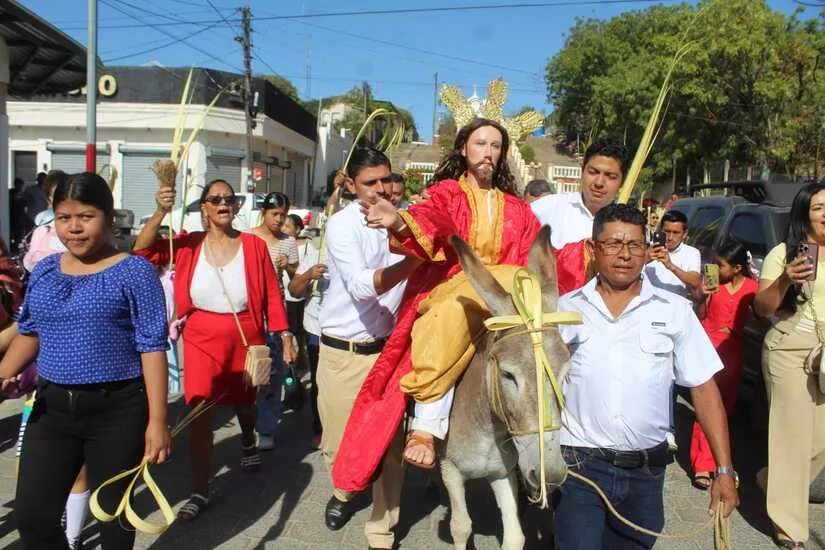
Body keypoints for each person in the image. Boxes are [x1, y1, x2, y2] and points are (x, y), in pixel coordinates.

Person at [333, 118, 541, 497]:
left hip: (504, 297)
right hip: (453, 293)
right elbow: (432, 218)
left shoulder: (518, 209)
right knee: (444, 322)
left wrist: (590, 255)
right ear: (464, 148)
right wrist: (399, 221)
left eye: (496, 146)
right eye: (480, 143)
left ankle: (541, 435)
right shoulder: (448, 194)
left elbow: (536, 254)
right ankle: (426, 428)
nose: (488, 152)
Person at [0, 172, 171, 550]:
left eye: (85, 217)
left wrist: (158, 422)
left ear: (109, 217)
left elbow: (152, 347)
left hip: (118, 411)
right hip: (51, 409)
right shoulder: (45, 269)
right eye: (64, 218)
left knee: (113, 518)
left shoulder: (134, 272)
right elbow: (30, 331)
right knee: (32, 516)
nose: (74, 228)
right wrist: (3, 374)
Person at [552, 203, 739, 550]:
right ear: (593, 250)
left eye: (635, 245)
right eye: (613, 244)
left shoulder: (674, 311)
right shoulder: (563, 310)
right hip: (579, 470)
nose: (625, 255)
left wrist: (724, 472)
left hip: (646, 475)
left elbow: (703, 389)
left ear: (648, 249)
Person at [134, 179, 291, 521]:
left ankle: (248, 439)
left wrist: (284, 333)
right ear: (203, 207)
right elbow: (143, 252)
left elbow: (272, 293)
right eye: (214, 198)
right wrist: (161, 210)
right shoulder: (187, 245)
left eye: (228, 198)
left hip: (245, 335)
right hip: (201, 338)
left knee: (245, 401)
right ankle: (202, 488)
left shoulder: (253, 245)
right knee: (198, 413)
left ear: (235, 206)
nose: (223, 203)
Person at [315, 148, 417, 550]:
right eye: (369, 183)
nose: (380, 190)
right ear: (351, 184)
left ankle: (381, 528)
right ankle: (344, 492)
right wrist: (413, 262)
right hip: (343, 354)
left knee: (390, 449)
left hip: (389, 353)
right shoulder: (342, 226)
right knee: (340, 447)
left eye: (385, 180)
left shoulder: (407, 222)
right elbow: (360, 286)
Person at [753, 182, 825, 549]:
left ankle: (772, 477)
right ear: (804, 214)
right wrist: (786, 279)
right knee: (792, 439)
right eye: (818, 207)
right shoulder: (784, 254)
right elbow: (762, 308)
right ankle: (789, 525)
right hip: (789, 348)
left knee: (819, 445)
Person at [690, 240, 757, 490]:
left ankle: (719, 461)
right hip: (709, 347)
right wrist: (702, 297)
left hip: (733, 350)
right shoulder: (712, 284)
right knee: (706, 404)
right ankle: (701, 465)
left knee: (724, 409)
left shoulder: (752, 288)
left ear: (738, 268)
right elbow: (699, 315)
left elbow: (762, 314)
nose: (715, 269)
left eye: (721, 265)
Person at [531, 139, 628, 294]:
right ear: (582, 171)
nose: (599, 182)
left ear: (621, 181)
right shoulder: (545, 209)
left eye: (610, 176)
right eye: (593, 172)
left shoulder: (629, 225)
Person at [250, 192, 299, 451]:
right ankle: (249, 421)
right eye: (274, 214)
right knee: (250, 369)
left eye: (283, 215)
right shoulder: (248, 237)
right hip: (249, 310)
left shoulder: (288, 242)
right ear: (264, 213)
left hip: (275, 312)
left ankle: (266, 427)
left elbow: (295, 278)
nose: (279, 220)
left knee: (271, 371)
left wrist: (288, 267)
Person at [288, 234, 328, 451]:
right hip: (317, 330)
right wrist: (309, 275)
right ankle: (320, 428)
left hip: (352, 333)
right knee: (319, 381)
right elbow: (294, 290)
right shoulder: (316, 252)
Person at [644, 209, 701, 300]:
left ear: (684, 234)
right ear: (661, 230)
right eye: (667, 231)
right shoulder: (648, 249)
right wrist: (645, 259)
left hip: (677, 309)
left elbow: (695, 281)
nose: (670, 237)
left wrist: (670, 266)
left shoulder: (692, 253)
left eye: (675, 233)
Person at [23, 170, 69, 272]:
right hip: (47, 281)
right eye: (55, 195)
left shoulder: (81, 226)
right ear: (49, 198)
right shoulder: (43, 229)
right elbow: (30, 262)